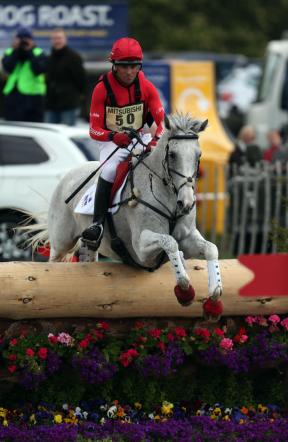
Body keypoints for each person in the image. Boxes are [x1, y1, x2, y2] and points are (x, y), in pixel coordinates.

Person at [81, 37, 165, 250]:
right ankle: (98, 224)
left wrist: (155, 139)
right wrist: (112, 136)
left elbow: (161, 120)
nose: (129, 72)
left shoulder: (145, 85)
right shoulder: (101, 89)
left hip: (139, 137)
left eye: (134, 66)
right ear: (114, 66)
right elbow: (93, 129)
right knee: (109, 170)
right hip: (113, 141)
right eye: (124, 66)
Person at [1, 27, 47, 122]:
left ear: (32, 40)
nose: (23, 42)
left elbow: (38, 70)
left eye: (26, 39)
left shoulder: (39, 53)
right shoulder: (10, 52)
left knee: (33, 126)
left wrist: (30, 51)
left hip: (33, 97)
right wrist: (16, 51)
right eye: (20, 39)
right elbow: (8, 68)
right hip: (13, 96)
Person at [45, 28, 86, 126]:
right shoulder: (49, 58)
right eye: (55, 38)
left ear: (65, 39)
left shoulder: (74, 57)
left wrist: (81, 98)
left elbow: (81, 80)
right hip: (51, 104)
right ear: (51, 40)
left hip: (69, 105)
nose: (57, 41)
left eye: (59, 38)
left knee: (68, 133)